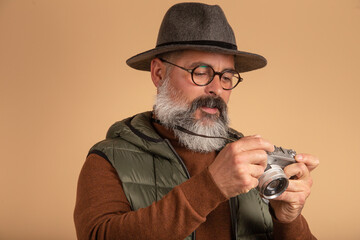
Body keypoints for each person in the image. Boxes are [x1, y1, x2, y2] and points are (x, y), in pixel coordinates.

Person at [74, 2, 319, 240]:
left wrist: (288, 221)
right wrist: (211, 185)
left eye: (227, 77)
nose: (217, 89)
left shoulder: (252, 160)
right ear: (159, 74)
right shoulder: (108, 158)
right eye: (201, 73)